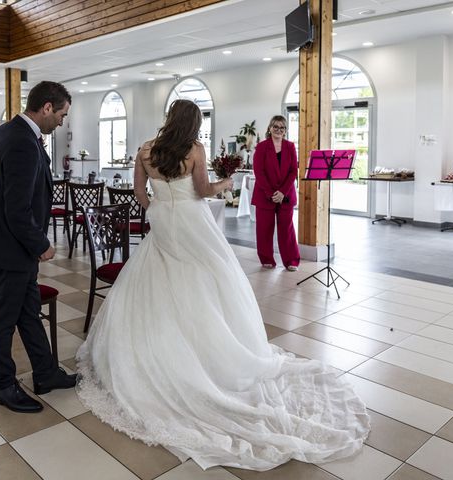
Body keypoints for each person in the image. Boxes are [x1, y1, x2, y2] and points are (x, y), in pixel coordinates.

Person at [76, 100, 369, 471]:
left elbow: (139, 193)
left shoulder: (146, 150)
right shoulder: (194, 150)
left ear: (169, 119)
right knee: (209, 283)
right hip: (193, 223)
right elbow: (202, 191)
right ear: (194, 123)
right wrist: (226, 184)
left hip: (163, 224)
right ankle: (210, 354)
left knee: (158, 284)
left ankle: (158, 353)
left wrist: (157, 208)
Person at [0, 81, 77, 414]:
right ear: (47, 107)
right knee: (3, 319)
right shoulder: (20, 140)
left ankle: (45, 373)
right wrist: (41, 243)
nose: (62, 121)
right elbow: (15, 207)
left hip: (11, 245)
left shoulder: (12, 131)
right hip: (11, 247)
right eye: (61, 114)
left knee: (28, 311)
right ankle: (4, 385)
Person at [251, 115, 301, 271]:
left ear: (285, 131)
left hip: (285, 196)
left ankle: (291, 260)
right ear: (270, 128)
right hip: (265, 195)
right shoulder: (261, 147)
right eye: (275, 127)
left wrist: (282, 193)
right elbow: (259, 172)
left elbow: (293, 171)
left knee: (286, 229)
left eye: (282, 127)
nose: (278, 130)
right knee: (264, 228)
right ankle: (266, 258)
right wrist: (272, 193)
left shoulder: (290, 147)